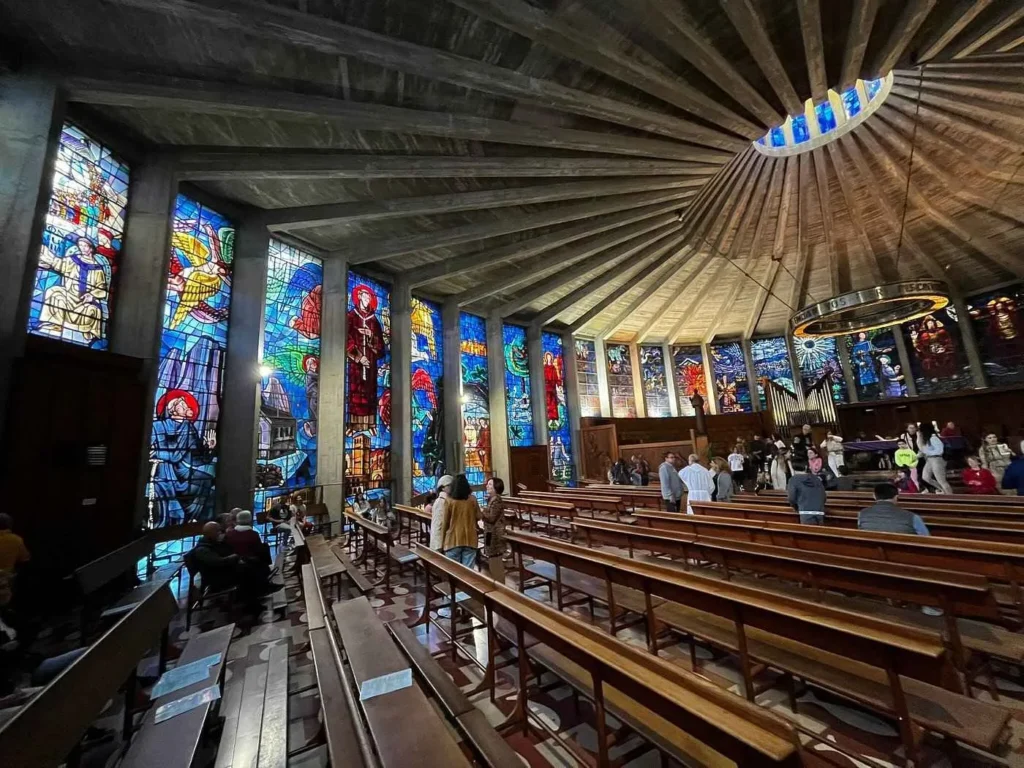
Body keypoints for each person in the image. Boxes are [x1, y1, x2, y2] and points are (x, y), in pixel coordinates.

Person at [439, 474, 481, 567]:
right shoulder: (472, 499)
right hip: (470, 538)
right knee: (468, 572)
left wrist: (442, 542)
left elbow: (445, 522)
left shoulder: (449, 500)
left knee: (453, 571)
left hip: (453, 540)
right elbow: (479, 516)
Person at [858, 483, 930, 535]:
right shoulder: (912, 517)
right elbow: (926, 539)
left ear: (874, 496)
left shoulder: (862, 514)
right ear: (896, 497)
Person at [480, 478, 507, 579]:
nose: (487, 486)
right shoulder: (491, 499)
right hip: (489, 533)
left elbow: (491, 518)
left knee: (495, 560)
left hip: (495, 535)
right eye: (487, 484)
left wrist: (481, 511)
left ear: (496, 487)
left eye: (490, 484)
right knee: (491, 558)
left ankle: (500, 583)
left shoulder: (497, 500)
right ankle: (495, 581)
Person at [787, 457, 826, 525]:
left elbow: (791, 498)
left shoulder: (793, 480)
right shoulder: (816, 479)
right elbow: (823, 495)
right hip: (820, 512)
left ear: (793, 468)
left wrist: (796, 507)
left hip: (805, 512)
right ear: (806, 467)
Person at [917, 422, 953, 494]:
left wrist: (927, 452)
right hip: (929, 460)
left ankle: (950, 495)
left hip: (937, 459)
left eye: (920, 430)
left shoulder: (933, 438)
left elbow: (939, 451)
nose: (919, 431)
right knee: (926, 477)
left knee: (941, 480)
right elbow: (922, 449)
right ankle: (943, 490)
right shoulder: (925, 440)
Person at [429, 475, 453, 551]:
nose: (452, 487)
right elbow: (438, 523)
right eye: (449, 485)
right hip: (439, 543)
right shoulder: (441, 502)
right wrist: (438, 545)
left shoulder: (446, 500)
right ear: (442, 488)